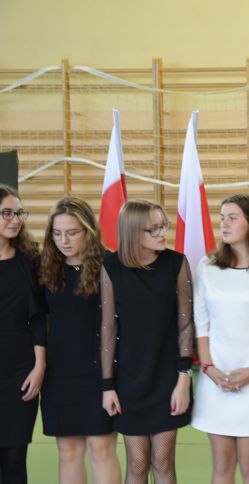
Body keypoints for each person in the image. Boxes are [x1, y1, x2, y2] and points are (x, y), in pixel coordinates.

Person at [100, 199, 194, 484]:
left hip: (167, 377)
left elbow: (185, 323)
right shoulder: (112, 266)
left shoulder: (176, 263)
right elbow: (108, 327)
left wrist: (184, 378)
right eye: (153, 229)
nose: (162, 233)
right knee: (138, 462)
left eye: (163, 225)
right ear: (132, 231)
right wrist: (108, 385)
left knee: (162, 460)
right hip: (129, 379)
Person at [192, 193, 249, 483]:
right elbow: (201, 323)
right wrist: (209, 368)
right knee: (221, 465)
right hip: (215, 377)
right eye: (222, 218)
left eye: (232, 218)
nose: (224, 224)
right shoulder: (207, 266)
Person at [39, 197, 121, 484]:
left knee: (102, 448)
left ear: (89, 231)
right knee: (68, 451)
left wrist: (111, 380)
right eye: (57, 233)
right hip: (59, 374)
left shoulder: (110, 265)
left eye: (72, 233)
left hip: (100, 373)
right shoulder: (45, 269)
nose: (64, 240)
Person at [0, 184, 45, 484]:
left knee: (15, 459)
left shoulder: (30, 261)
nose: (15, 220)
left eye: (19, 213)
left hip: (20, 372)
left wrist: (39, 366)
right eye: (7, 213)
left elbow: (39, 318)